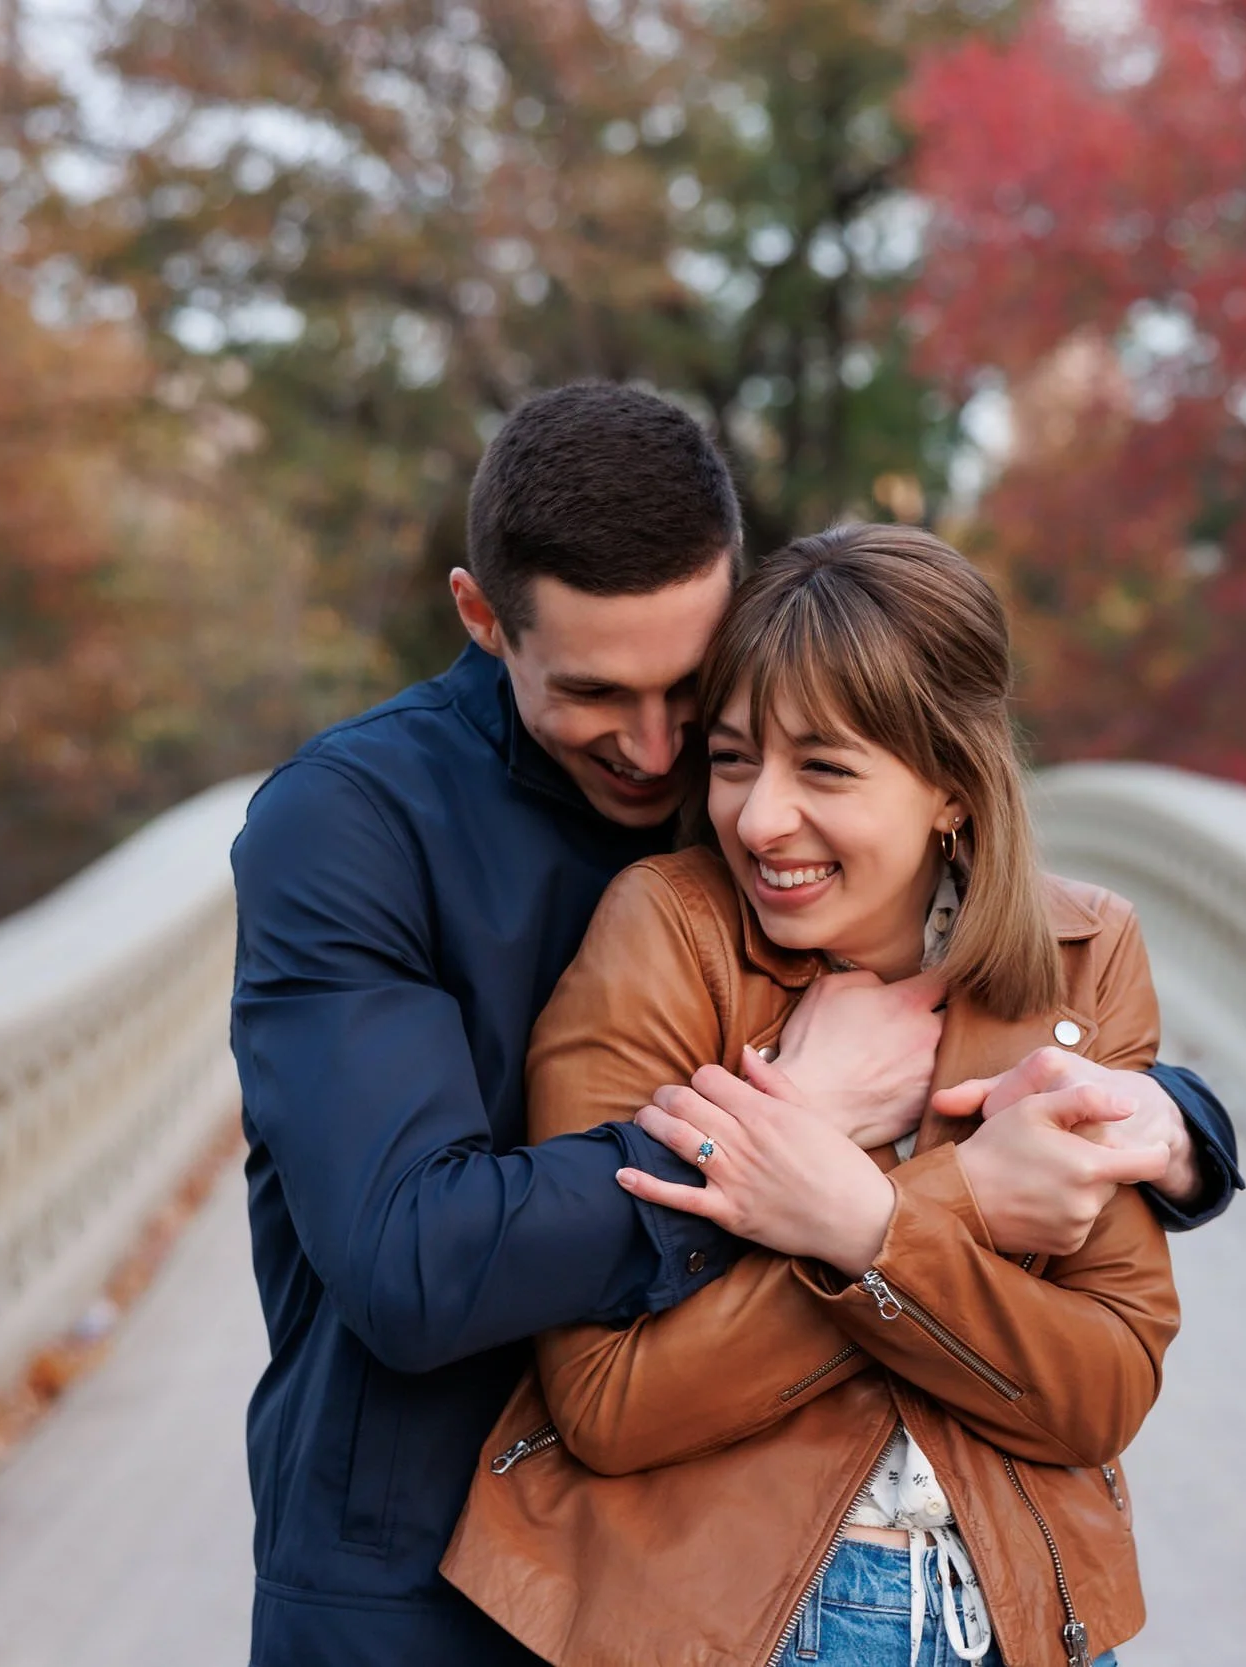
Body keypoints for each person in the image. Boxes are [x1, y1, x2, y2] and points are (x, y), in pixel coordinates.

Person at [229, 383, 1241, 1666]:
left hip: (772, 1575)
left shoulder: (781, 805)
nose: (660, 755)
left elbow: (1000, 943)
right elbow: (407, 1262)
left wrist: (1178, 1120)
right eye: (600, 693)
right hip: (416, 1580)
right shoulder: (354, 826)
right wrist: (800, 1135)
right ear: (484, 619)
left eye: (693, 697)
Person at [449, 524, 1174, 1667]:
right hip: (743, 1625)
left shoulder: (1085, 954)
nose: (757, 816)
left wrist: (868, 1226)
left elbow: (1104, 1389)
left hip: (1017, 1618)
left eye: (822, 767)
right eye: (733, 758)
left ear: (950, 784)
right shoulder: (670, 932)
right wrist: (958, 1203)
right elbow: (607, 1402)